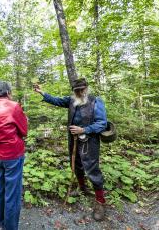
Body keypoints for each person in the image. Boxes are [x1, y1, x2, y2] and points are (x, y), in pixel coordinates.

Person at [34, 78, 110, 221]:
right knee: (76, 165)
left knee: (92, 169)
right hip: (73, 140)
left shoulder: (96, 101)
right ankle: (82, 188)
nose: (80, 92)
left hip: (90, 141)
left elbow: (102, 123)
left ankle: (100, 201)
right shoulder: (71, 100)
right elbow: (56, 100)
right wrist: (41, 92)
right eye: (77, 90)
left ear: (86, 88)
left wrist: (84, 129)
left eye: (82, 89)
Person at [0, 81, 28, 230]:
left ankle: (2, 222)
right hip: (12, 154)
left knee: (0, 188)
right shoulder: (14, 105)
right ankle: (10, 227)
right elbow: (24, 131)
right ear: (8, 92)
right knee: (12, 193)